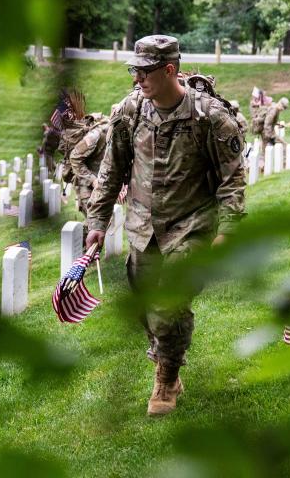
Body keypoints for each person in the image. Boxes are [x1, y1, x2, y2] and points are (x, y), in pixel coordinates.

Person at [84, 35, 246, 417]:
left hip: (191, 225)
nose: (137, 78)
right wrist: (97, 220)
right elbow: (111, 171)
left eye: (144, 72)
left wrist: (229, 229)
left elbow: (232, 178)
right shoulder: (130, 112)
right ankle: (166, 355)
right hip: (143, 225)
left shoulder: (209, 117)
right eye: (134, 71)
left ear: (169, 70)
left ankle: (166, 380)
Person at [68, 113, 108, 217]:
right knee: (94, 222)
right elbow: (74, 157)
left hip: (103, 183)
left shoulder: (124, 134)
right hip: (86, 184)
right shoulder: (96, 134)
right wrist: (93, 180)